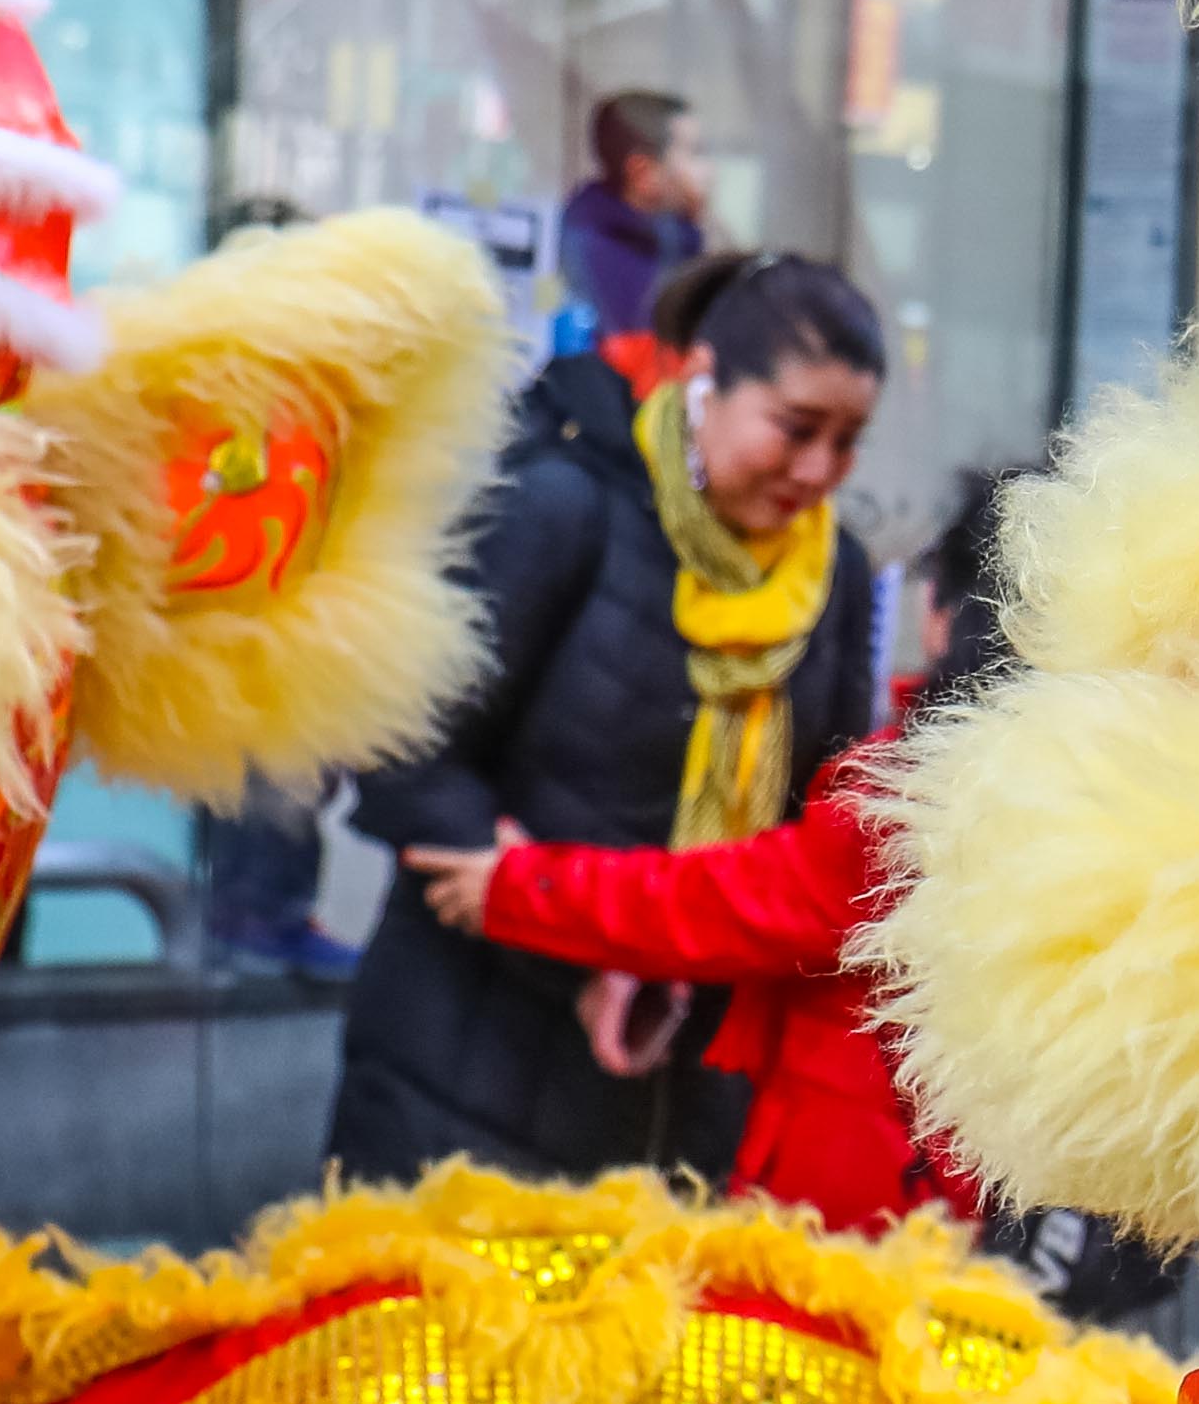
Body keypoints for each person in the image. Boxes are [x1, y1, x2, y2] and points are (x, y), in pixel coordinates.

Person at [331, 251, 887, 1185]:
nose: (818, 469)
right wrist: (572, 936)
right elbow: (402, 749)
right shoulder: (561, 505)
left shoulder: (839, 574)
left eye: (847, 440)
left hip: (698, 1074)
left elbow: (805, 829)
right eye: (796, 429)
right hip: (476, 1047)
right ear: (705, 382)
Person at [396, 478, 1005, 1237]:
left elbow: (724, 901)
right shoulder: (1096, 796)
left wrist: (522, 886)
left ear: (937, 616)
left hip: (862, 1205)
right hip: (955, 1191)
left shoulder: (916, 801)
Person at [555, 88, 709, 349]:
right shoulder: (584, 250)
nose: (708, 171)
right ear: (642, 172)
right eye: (694, 153)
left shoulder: (672, 241)